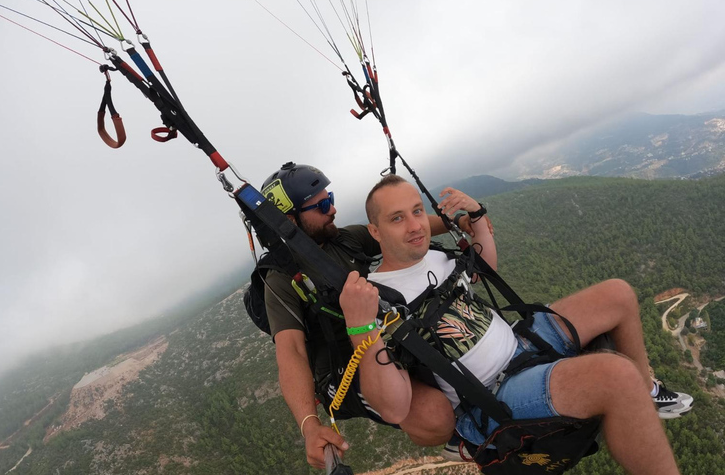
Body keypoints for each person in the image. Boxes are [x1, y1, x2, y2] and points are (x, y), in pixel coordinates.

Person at [338, 174, 693, 475]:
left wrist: (476, 216)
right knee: (617, 376)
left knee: (618, 294)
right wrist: (360, 326)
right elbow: (393, 407)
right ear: (375, 231)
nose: (416, 225)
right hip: (492, 396)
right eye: (397, 218)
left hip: (520, 343)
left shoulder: (434, 253)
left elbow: (485, 269)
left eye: (417, 211)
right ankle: (634, 393)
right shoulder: (376, 297)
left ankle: (647, 392)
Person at [261, 162, 482, 469]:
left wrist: (459, 221)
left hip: (384, 333)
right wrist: (308, 425)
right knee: (436, 415)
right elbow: (291, 352)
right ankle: (464, 436)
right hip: (343, 369)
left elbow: (401, 227)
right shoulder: (282, 279)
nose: (333, 210)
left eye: (331, 198)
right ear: (290, 220)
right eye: (322, 205)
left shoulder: (344, 239)